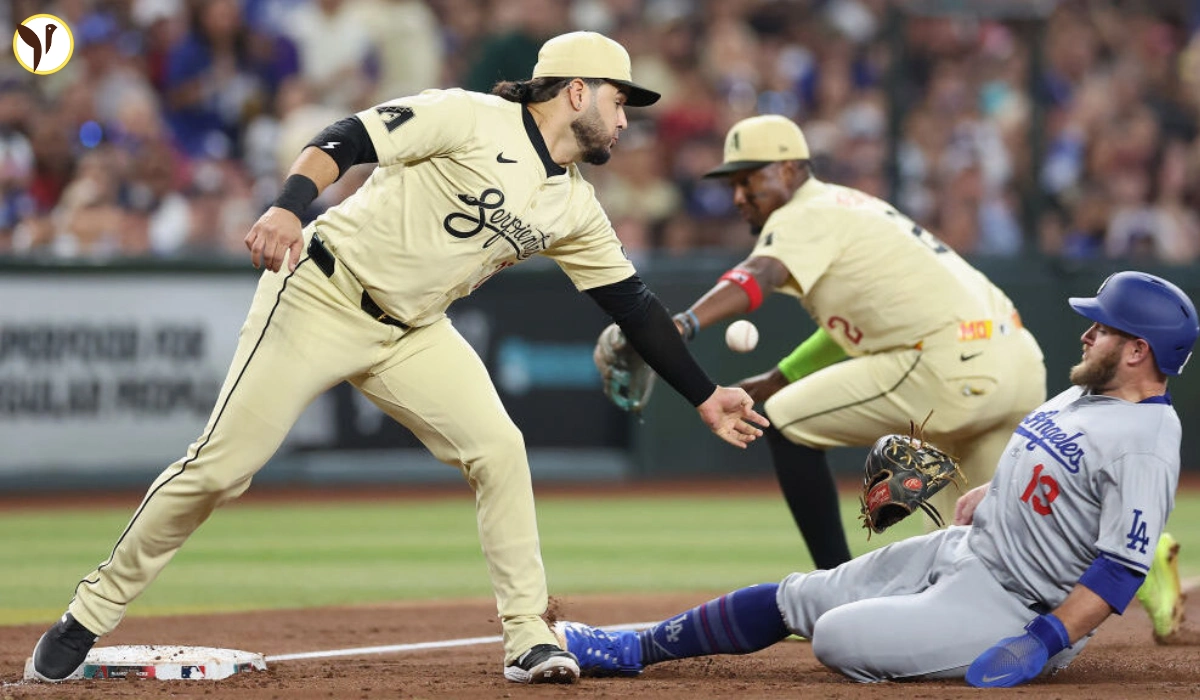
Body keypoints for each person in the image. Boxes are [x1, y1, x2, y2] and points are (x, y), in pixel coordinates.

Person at [28, 31, 768, 686]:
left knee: (499, 450)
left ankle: (528, 637)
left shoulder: (574, 205)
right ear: (575, 90)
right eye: (617, 99)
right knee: (222, 466)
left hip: (412, 331)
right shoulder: (470, 115)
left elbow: (634, 307)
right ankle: (85, 616)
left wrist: (705, 396)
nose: (624, 118)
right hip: (321, 293)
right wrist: (289, 203)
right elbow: (347, 137)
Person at [558, 271, 1198, 686]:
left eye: (1102, 326)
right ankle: (634, 647)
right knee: (799, 596)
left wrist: (1045, 639)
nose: (1087, 332)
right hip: (965, 551)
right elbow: (1046, 466)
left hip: (1014, 605)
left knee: (836, 636)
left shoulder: (1145, 442)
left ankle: (945, 637)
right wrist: (990, 491)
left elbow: (1120, 568)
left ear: (1137, 349)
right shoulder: (1087, 395)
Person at [665, 114, 1045, 568]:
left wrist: (684, 323)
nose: (740, 196)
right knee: (972, 553)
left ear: (789, 170)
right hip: (1017, 360)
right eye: (734, 184)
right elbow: (852, 325)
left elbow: (760, 274)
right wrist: (780, 376)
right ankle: (1136, 568)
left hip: (950, 364)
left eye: (750, 179)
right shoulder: (851, 206)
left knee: (786, 420)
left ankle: (831, 584)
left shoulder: (803, 211)